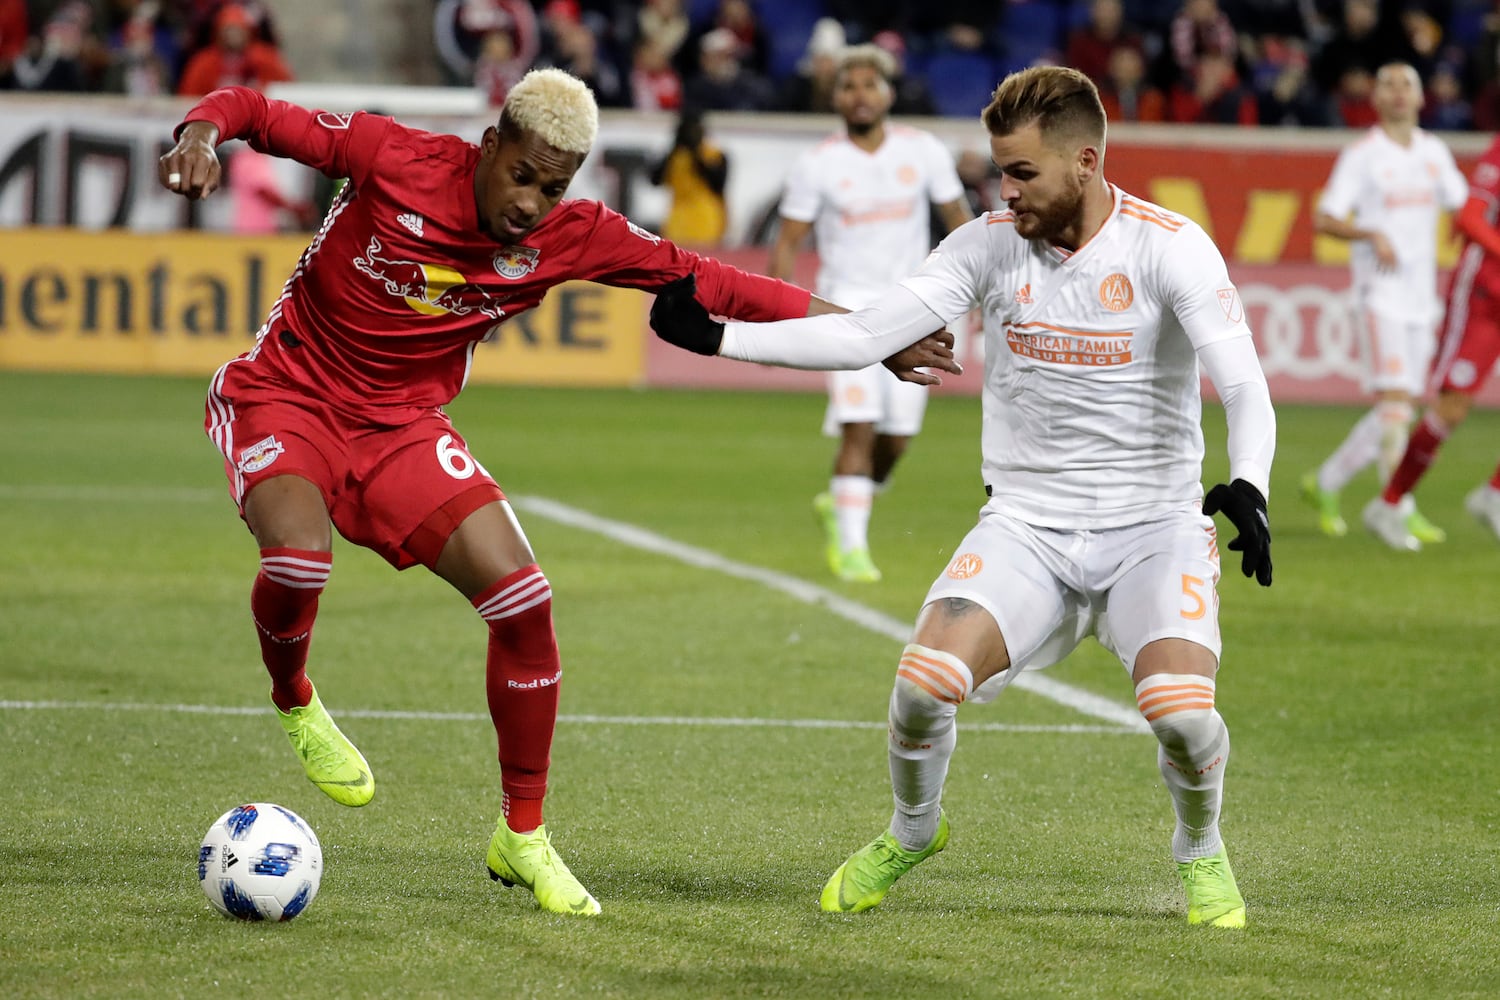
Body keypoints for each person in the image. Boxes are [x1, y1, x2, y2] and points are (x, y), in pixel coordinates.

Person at [157, 68, 951, 917]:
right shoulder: (395, 155)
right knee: (298, 560)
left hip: (402, 427)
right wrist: (201, 133)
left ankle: (522, 836)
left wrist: (871, 336)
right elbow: (253, 109)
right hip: (290, 391)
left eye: (556, 186)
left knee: (525, 602)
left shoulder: (575, 233)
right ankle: (295, 697)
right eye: (524, 175)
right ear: (490, 146)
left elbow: (714, 282)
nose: (534, 202)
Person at [650, 65, 1276, 927]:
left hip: (1154, 527)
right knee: (921, 684)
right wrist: (719, 338)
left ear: (1086, 162)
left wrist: (1249, 485)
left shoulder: (1169, 245)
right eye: (998, 171)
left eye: (1022, 173)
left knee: (1181, 716)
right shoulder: (986, 244)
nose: (1004, 191)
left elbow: (1243, 386)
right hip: (1027, 525)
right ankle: (914, 830)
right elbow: (868, 333)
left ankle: (1200, 847)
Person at [768, 44, 972, 583]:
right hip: (846, 311)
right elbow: (787, 241)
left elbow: (960, 221)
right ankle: (853, 550)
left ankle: (846, 502)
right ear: (834, 97)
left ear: (887, 92)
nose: (858, 95)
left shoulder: (923, 150)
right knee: (859, 428)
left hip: (914, 308)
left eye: (868, 84)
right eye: (847, 86)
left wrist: (979, 284)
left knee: (897, 439)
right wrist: (780, 307)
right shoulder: (818, 163)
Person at [1300, 63, 1467, 548]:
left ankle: (1325, 483)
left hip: (1422, 298)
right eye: (1388, 85)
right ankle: (1397, 509)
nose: (1398, 93)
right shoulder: (1363, 156)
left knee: (1403, 407)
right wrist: (1371, 232)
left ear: (1421, 98)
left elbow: (1463, 209)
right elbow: (1325, 218)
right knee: (1395, 405)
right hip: (1380, 294)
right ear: (1375, 98)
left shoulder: (1435, 153)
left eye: (1407, 85)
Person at [1364, 132, 1500, 546]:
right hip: (1483, 294)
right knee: (1451, 408)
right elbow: (1470, 217)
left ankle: (1493, 496)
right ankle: (1388, 504)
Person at [649, 107, 728, 247]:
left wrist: (696, 153)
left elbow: (718, 183)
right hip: (677, 223)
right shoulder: (675, 156)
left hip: (706, 222)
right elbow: (655, 180)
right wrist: (673, 149)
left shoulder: (713, 154)